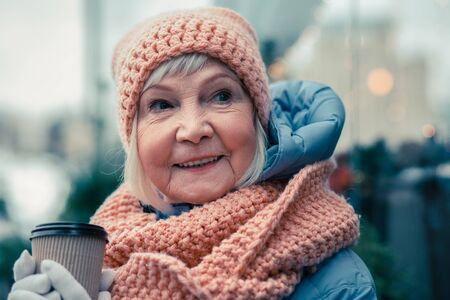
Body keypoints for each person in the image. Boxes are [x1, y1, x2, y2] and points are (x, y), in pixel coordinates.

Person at [8, 7, 376, 300]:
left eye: (221, 96)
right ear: (135, 139)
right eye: (162, 105)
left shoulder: (336, 281)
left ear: (257, 118)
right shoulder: (99, 257)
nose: (193, 128)